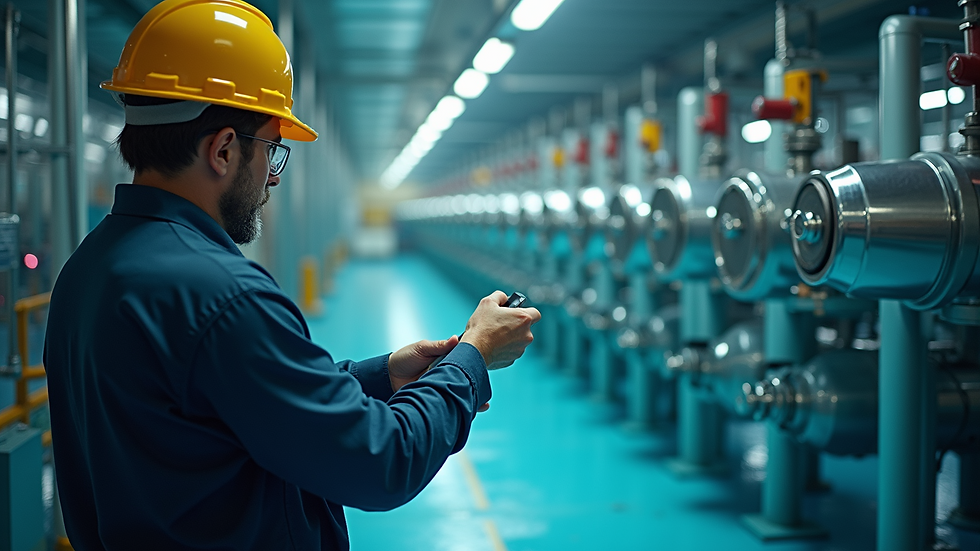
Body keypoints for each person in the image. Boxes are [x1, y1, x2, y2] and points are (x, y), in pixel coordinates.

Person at [42, 1, 541, 550]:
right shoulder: (222, 295)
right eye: (272, 151)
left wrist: (380, 375)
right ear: (224, 150)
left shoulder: (90, 267)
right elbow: (380, 460)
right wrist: (472, 357)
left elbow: (226, 402)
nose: (273, 180)